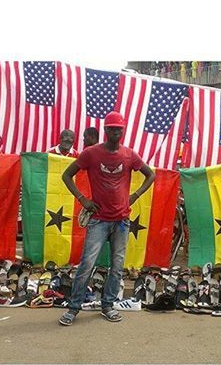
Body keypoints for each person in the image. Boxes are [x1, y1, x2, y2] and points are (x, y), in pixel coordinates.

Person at [58, 111, 155, 325]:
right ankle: (73, 308)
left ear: (122, 130)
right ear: (105, 130)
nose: (115, 132)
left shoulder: (129, 155)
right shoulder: (91, 153)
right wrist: (83, 199)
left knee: (117, 266)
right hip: (99, 220)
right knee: (87, 264)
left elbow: (151, 174)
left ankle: (108, 305)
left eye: (118, 129)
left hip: (121, 220)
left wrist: (135, 196)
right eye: (111, 128)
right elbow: (66, 175)